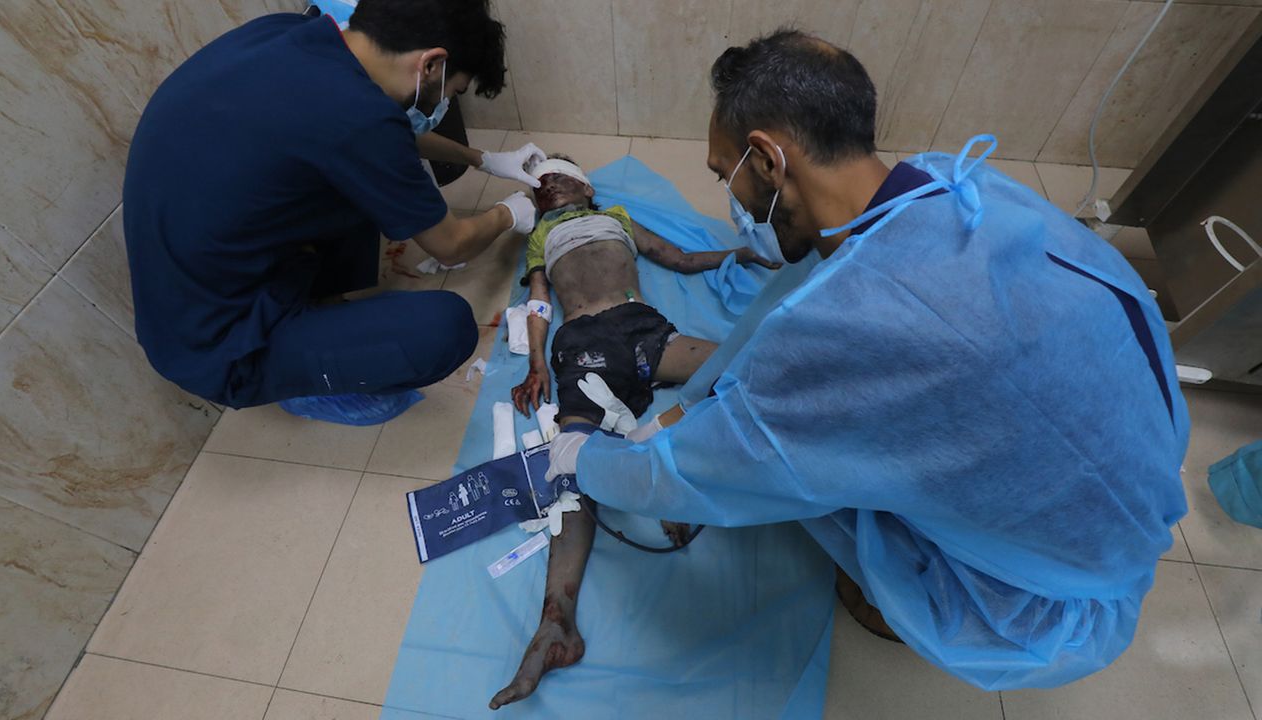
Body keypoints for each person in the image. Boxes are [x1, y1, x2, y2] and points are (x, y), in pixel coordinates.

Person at [545, 30, 1190, 690]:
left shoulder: (856, 333)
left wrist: (585, 459)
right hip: (1130, 481)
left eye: (724, 175)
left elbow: (708, 470)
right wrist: (686, 405)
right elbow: (788, 304)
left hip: (1044, 593)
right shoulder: (943, 187)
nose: (729, 200)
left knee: (807, 478)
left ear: (767, 160)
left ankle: (896, 603)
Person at [124, 0, 546, 417]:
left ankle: (321, 315)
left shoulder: (288, 33)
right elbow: (451, 246)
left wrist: (482, 159)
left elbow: (378, 134)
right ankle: (300, 374)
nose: (445, 103)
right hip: (217, 347)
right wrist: (509, 212)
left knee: (362, 188)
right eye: (452, 92)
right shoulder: (359, 120)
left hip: (187, 289)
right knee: (444, 329)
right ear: (431, 64)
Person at [489, 156, 776, 709]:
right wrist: (537, 363)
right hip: (580, 346)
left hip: (641, 330)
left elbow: (678, 258)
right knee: (568, 470)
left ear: (585, 187)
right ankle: (556, 621)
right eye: (540, 183)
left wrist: (738, 254)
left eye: (557, 174)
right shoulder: (540, 237)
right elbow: (539, 300)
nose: (546, 184)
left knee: (743, 370)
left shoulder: (616, 216)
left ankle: (666, 479)